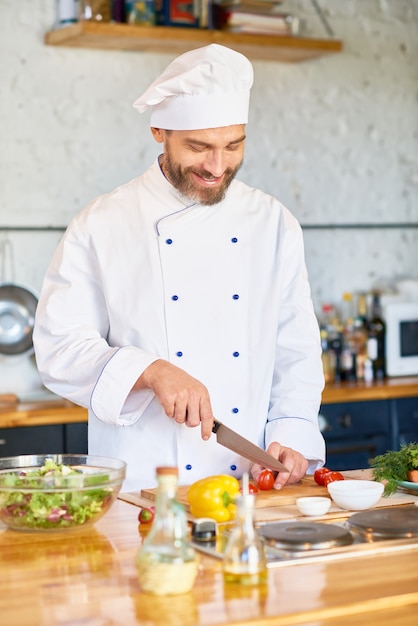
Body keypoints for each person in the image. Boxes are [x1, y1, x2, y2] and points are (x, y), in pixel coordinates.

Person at [33, 44, 325, 492]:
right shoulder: (103, 223)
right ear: (158, 131)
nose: (216, 166)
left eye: (234, 145)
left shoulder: (272, 222)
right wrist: (149, 370)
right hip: (145, 481)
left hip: (251, 479)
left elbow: (296, 349)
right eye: (198, 147)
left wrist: (290, 434)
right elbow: (58, 350)